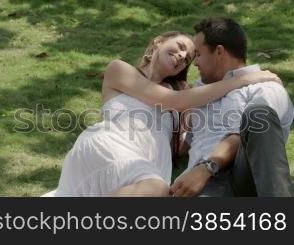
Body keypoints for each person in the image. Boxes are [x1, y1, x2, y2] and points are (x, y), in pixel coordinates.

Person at [46, 31, 280, 197]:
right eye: (179, 47)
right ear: (158, 42)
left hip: (147, 164)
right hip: (111, 145)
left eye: (188, 57)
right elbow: (174, 101)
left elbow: (188, 142)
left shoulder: (183, 97)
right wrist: (245, 79)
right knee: (155, 190)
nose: (182, 56)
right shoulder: (120, 70)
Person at [170, 17, 294, 197]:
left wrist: (207, 167)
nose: (194, 63)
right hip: (203, 184)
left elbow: (251, 133)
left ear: (219, 52)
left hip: (245, 177)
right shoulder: (201, 92)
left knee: (257, 115)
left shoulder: (266, 86)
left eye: (198, 54)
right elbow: (188, 142)